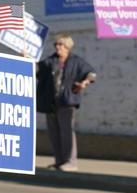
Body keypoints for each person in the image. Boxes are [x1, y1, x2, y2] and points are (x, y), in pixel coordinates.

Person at [37, 34, 96, 171]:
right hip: (50, 102)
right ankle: (59, 161)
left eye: (61, 45)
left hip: (67, 102)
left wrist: (84, 83)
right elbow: (37, 70)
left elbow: (91, 73)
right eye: (56, 44)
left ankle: (71, 162)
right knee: (54, 133)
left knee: (67, 132)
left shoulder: (76, 61)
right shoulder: (50, 61)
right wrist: (26, 58)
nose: (58, 47)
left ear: (67, 47)